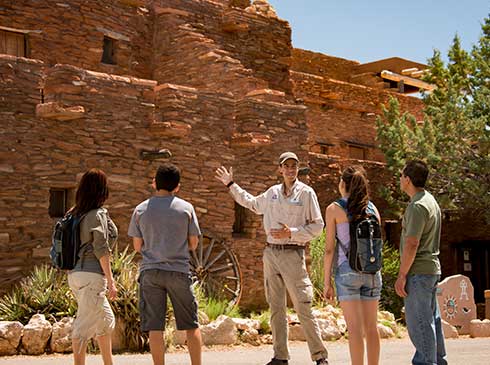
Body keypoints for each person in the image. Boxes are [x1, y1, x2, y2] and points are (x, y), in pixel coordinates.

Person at [215, 152, 329, 365]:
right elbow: (251, 203)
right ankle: (280, 356)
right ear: (280, 169)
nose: (290, 169)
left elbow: (318, 226)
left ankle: (320, 356)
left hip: (293, 254)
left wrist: (292, 232)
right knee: (276, 307)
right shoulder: (272, 193)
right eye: (286, 166)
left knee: (303, 306)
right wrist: (230, 184)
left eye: (294, 166)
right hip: (271, 254)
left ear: (298, 169)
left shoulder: (306, 194)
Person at [128, 163, 202, 365]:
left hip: (151, 272)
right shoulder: (186, 208)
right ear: (177, 186)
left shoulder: (140, 209)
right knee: (191, 325)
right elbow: (193, 244)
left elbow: (137, 246)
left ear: (155, 184)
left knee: (155, 327)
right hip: (178, 271)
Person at [323, 165, 382, 365]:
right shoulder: (373, 209)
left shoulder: (334, 209)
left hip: (347, 271)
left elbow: (329, 249)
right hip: (373, 271)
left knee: (355, 329)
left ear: (343, 184)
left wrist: (326, 282)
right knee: (372, 328)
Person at [395, 160, 447, 365]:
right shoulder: (431, 201)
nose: (400, 179)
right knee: (432, 320)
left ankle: (426, 362)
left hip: (418, 272)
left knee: (420, 323)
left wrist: (402, 275)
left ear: (407, 179)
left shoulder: (417, 206)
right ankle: (438, 360)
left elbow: (412, 243)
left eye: (401, 176)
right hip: (431, 270)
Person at [67, 168, 118, 365]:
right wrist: (111, 281)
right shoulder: (96, 215)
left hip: (75, 275)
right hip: (92, 276)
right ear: (101, 190)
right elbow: (101, 250)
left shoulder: (74, 214)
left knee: (105, 321)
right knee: (82, 329)